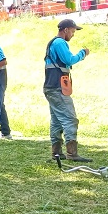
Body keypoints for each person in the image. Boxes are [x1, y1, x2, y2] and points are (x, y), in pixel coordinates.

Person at [44, 19, 91, 162]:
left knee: (57, 121)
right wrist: (83, 53)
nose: (73, 34)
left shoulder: (53, 43)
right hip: (58, 88)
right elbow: (69, 60)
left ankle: (56, 152)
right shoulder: (59, 43)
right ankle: (72, 153)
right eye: (72, 31)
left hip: (51, 87)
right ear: (65, 30)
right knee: (70, 119)